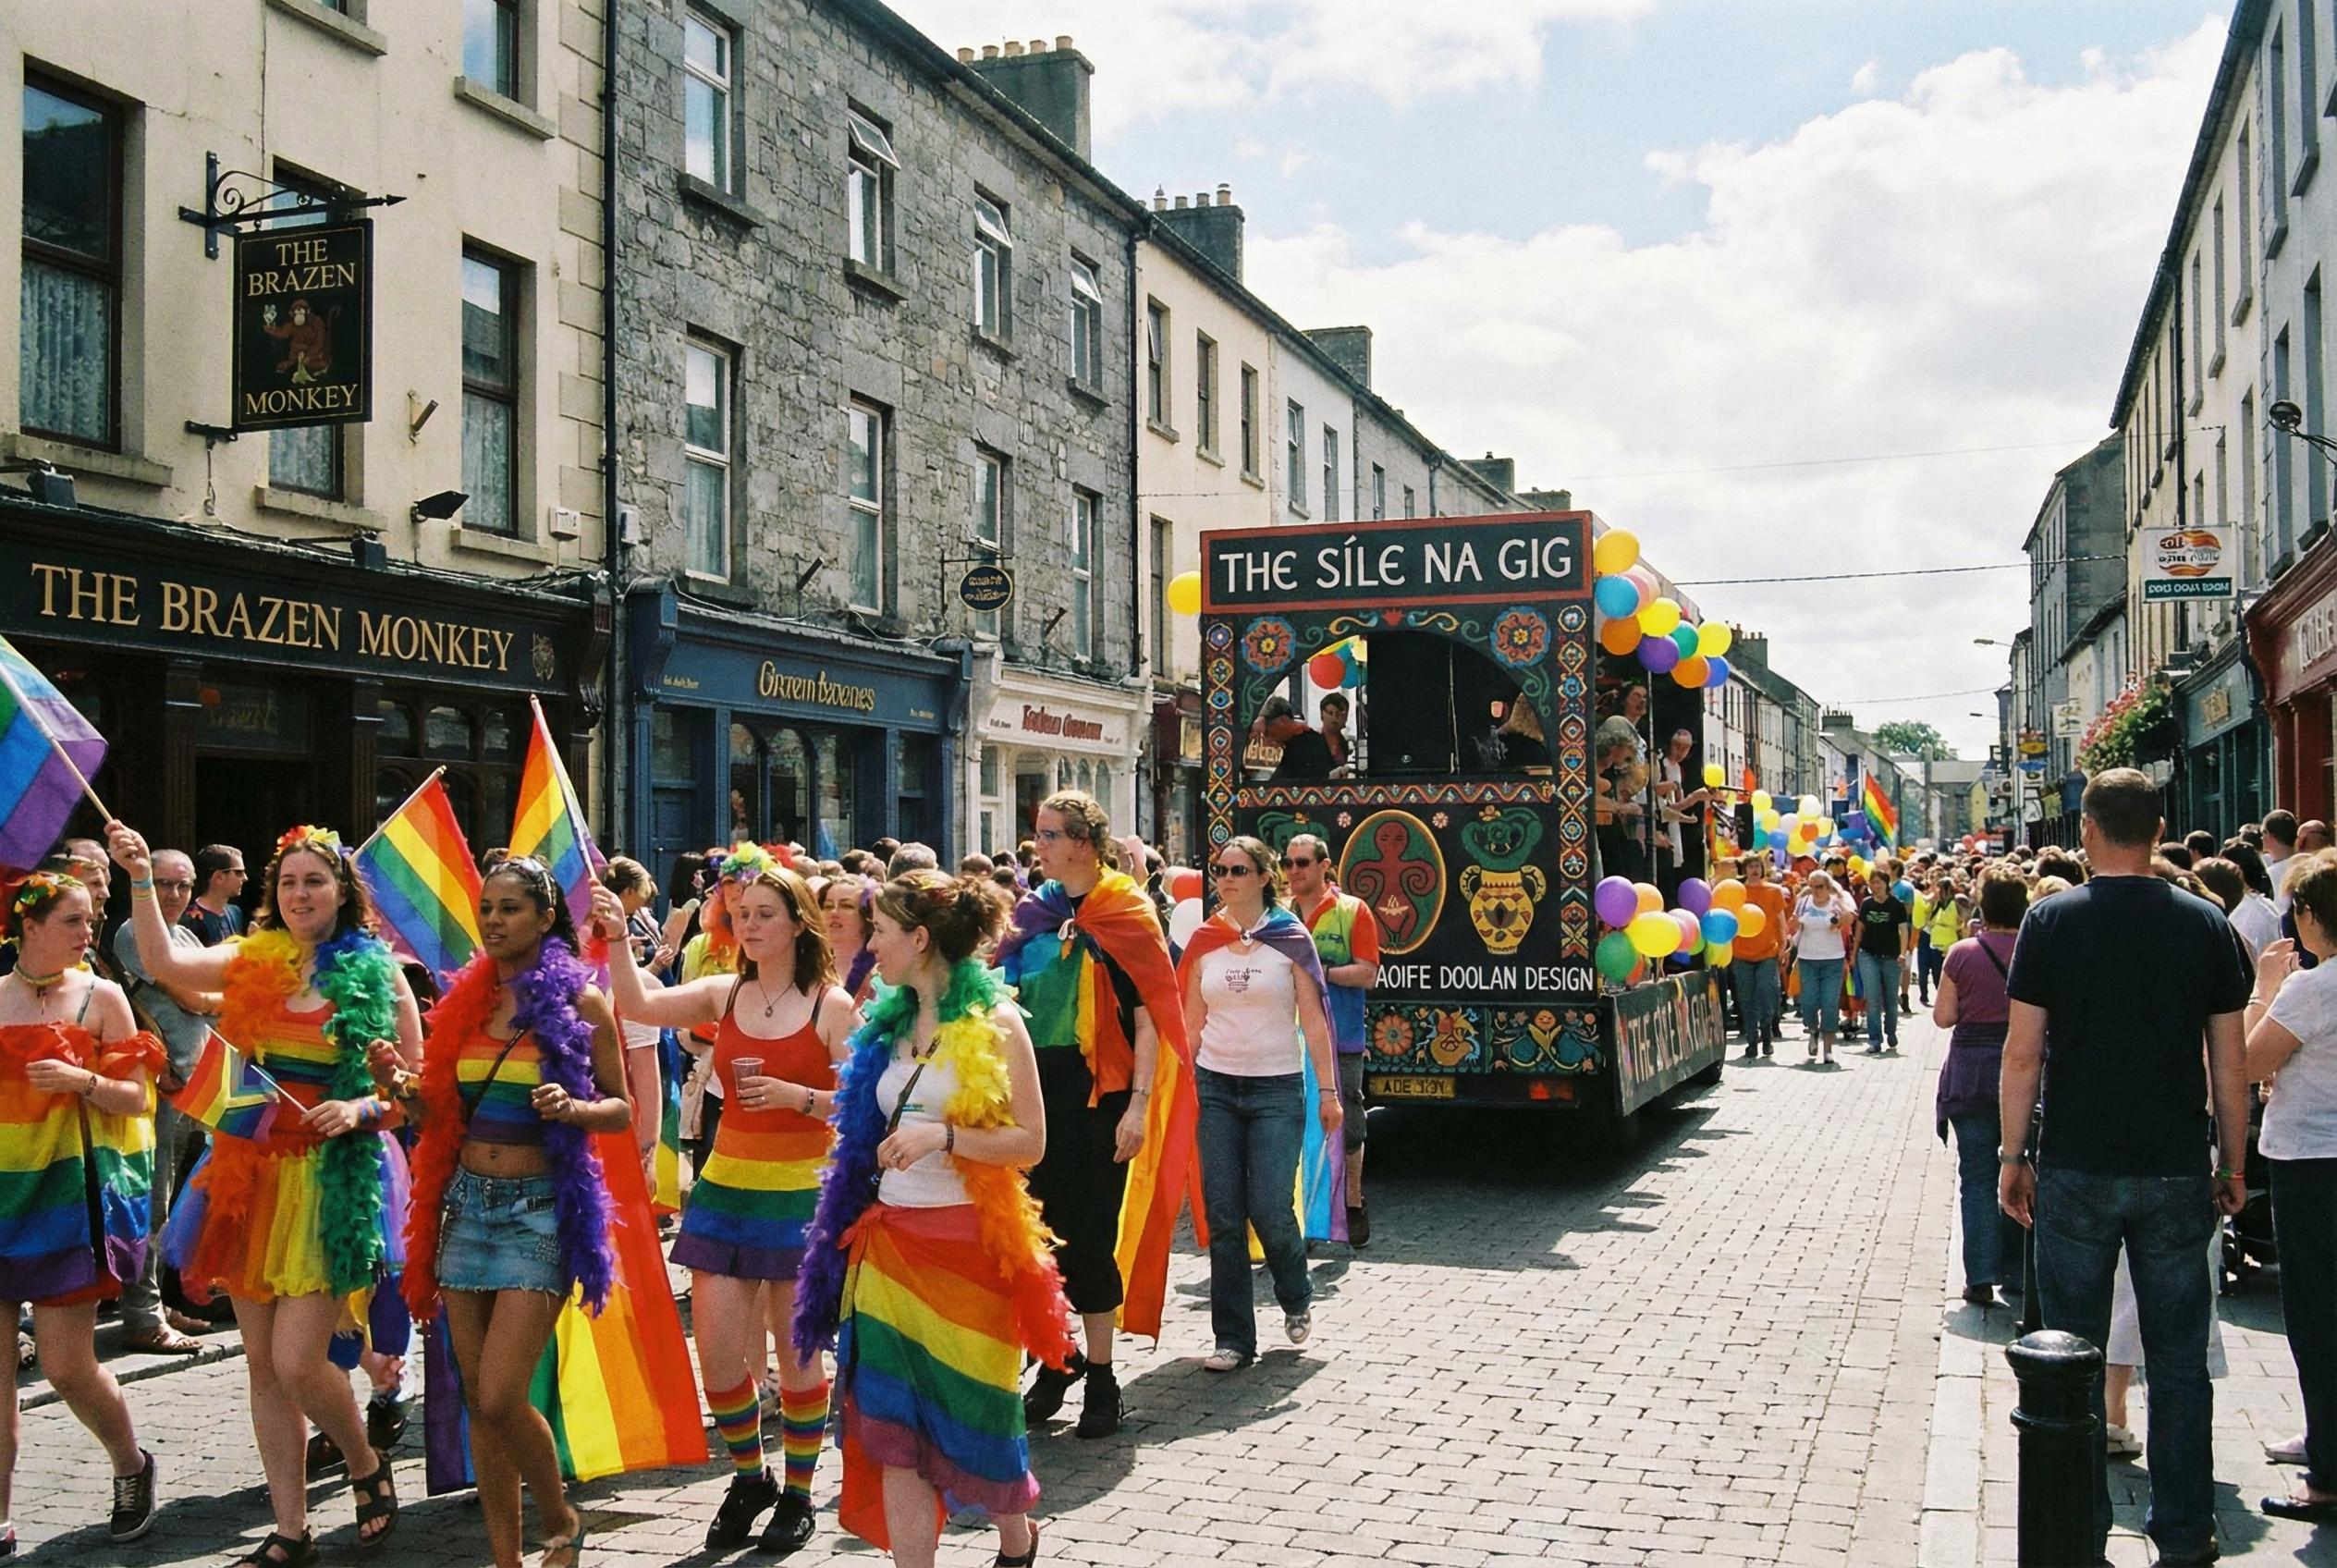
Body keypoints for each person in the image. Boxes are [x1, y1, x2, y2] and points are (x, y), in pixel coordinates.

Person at [107, 820, 422, 1565]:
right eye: (287, 882)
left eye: (315, 881)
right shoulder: (254, 959)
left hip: (331, 1184)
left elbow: (418, 1089)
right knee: (261, 1366)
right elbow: (162, 963)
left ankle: (363, 1462)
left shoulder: (379, 973)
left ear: (343, 891)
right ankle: (291, 1530)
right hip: (250, 1179)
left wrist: (362, 1109)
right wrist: (141, 880)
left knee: (296, 1361)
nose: (299, 894)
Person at [1998, 768, 2253, 1567]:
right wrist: (2234, 1162)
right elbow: (2230, 1063)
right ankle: (2182, 1529)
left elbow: (2022, 1053)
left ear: (2086, 828)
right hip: (2177, 1165)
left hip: (2076, 1163)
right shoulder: (2205, 924)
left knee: (2069, 1355)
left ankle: (2081, 1526)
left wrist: (2012, 1155)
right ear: (2158, 827)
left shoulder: (2051, 921)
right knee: (2180, 1364)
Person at [791, 871, 1069, 1568]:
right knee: (892, 1429)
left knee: (977, 1417)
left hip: (970, 1249)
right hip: (888, 1249)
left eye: (880, 930)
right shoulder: (885, 1020)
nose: (869, 944)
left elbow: (1030, 1142)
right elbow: (859, 1124)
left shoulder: (996, 1023)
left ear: (919, 938)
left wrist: (943, 1137)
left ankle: (1016, 1534)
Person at [598, 847, 854, 1554]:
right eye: (741, 915)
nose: (749, 926)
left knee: (798, 1361)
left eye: (764, 915)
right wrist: (620, 939)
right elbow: (638, 1004)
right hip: (724, 1194)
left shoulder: (832, 1008)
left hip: (800, 1203)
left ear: (800, 924)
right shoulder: (725, 994)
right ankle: (751, 1477)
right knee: (717, 1360)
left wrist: (802, 1098)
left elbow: (873, 1106)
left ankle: (798, 1492)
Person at [399, 858, 633, 1568]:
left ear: (543, 917)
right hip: (467, 1207)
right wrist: (401, 1086)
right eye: (487, 908)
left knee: (502, 1394)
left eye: (510, 908)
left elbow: (621, 1110)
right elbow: (438, 1116)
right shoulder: (462, 1002)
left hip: (539, 1212)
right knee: (479, 1400)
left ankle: (560, 1516)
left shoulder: (582, 1004)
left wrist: (575, 1107)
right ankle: (506, 1559)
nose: (494, 920)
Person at [992, 790, 1189, 1439]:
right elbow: (998, 996)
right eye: (1038, 833)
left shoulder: (1126, 910)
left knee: (1091, 1237)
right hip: (1031, 1091)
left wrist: (1138, 1106)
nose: (1037, 845)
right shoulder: (1033, 911)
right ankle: (1056, 1355)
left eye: (1048, 834)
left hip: (1099, 1096)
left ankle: (1102, 1378)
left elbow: (1148, 1016)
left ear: (1082, 842)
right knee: (1038, 1238)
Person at [0, 871, 163, 1550]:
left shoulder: (104, 997)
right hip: (1, 1196)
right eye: (74, 920)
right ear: (29, 926)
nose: (89, 931)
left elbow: (138, 1100)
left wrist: (83, 1079)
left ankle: (132, 1464)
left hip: (69, 1202)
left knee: (67, 1367)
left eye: (92, 919)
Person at [1178, 836, 1339, 1371]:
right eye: (1219, 869)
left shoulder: (1290, 938)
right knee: (1223, 1215)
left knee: (1270, 1208)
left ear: (1263, 877)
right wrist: (1174, 1087)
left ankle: (1295, 1290)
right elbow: (1191, 1023)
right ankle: (1234, 1339)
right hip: (1216, 1087)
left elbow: (1314, 1021)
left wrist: (1331, 1092)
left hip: (1276, 1089)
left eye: (1238, 870)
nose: (1225, 878)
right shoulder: (1204, 940)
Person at [2241, 853, 2337, 1522]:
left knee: (2315, 1311)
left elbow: (2245, 1061)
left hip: (2313, 1162)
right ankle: (2323, 1435)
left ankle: (2328, 1473)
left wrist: (2264, 985)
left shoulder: (2314, 987)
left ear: (2308, 914)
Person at [110, 848, 214, 1355]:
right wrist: (208, 994)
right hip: (164, 1087)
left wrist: (208, 994)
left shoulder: (188, 937)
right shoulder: (135, 931)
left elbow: (211, 997)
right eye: (165, 884)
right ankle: (141, 1315)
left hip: (200, 1085)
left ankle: (167, 1301)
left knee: (182, 1204)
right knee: (154, 1201)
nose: (174, 895)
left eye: (183, 886)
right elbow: (195, 997)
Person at [1933, 866, 2029, 1306]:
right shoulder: (2035, 949)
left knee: (1975, 1176)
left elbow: (1943, 1017)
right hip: (2026, 1069)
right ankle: (2018, 1271)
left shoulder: (1962, 953)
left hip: (1971, 1070)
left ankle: (1980, 1276)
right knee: (2023, 1168)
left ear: (1983, 906)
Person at [1283, 833, 1381, 1243]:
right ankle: (1297, 1217)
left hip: (1341, 1036)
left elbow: (1368, 972)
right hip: (1287, 1039)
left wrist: (1323, 972)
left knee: (1349, 1124)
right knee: (1290, 1126)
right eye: (1288, 863)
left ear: (1325, 866)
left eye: (1302, 863)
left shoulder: (1352, 911)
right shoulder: (1278, 912)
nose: (1293, 871)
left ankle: (1353, 1203)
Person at [601, 857, 669, 1178]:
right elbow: (645, 1073)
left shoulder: (638, 984)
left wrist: (647, 1147)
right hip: (594, 1128)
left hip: (613, 1125)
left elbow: (644, 1070)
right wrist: (649, 1148)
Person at [1784, 869, 1854, 1065]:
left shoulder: (1836, 902)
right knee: (1809, 1003)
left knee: (1830, 1003)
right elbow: (1793, 925)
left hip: (1833, 959)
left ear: (1828, 886)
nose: (1816, 890)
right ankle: (1813, 1030)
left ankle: (1828, 1049)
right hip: (1808, 959)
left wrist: (1840, 920)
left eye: (1820, 886)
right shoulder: (1804, 902)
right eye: (1812, 886)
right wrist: (1794, 924)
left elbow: (1850, 917)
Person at [1731, 854, 1790, 1057]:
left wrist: (1783, 947)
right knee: (1746, 1000)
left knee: (1768, 995)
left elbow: (1782, 922)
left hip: (1767, 953)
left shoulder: (1773, 891)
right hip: (1741, 953)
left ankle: (1766, 1034)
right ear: (1745, 870)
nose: (1754, 870)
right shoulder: (1737, 891)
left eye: (1757, 866)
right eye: (1750, 866)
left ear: (1762, 869)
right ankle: (1752, 1041)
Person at [1854, 868, 1914, 1055]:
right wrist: (1854, 954)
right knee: (1872, 999)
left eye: (1879, 882)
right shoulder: (1866, 904)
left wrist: (1903, 954)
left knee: (1890, 1000)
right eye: (1872, 882)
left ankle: (1891, 1032)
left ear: (1887, 884)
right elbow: (1859, 930)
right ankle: (1874, 1039)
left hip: (1891, 957)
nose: (1875, 886)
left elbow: (1904, 931)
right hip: (1868, 955)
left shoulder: (1896, 905)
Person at [1251, 692, 1351, 781]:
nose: (1269, 738)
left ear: (1282, 720)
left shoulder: (1304, 744)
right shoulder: (1301, 741)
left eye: (1268, 731)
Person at [822, 873, 878, 1006]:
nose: (834, 913)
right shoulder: (810, 966)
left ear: (867, 916)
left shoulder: (882, 970)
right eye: (828, 906)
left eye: (846, 906)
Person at [184, 843, 251, 946]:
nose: (245, 878)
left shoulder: (235, 912)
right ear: (219, 877)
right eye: (238, 872)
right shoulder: (190, 920)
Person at [2267, 810, 2303, 912]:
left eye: (2264, 832)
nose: (2262, 837)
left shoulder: (2270, 873)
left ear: (2272, 836)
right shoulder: (2304, 866)